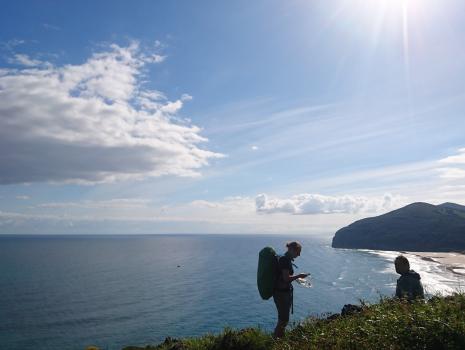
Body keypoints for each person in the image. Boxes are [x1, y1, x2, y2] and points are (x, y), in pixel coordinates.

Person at [273, 241, 309, 338]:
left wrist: (297, 278)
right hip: (281, 294)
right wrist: (299, 276)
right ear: (292, 250)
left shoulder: (284, 258)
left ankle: (280, 340)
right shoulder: (284, 260)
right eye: (298, 252)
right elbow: (286, 279)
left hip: (281, 292)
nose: (299, 254)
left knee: (283, 319)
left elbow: (284, 277)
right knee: (283, 320)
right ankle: (275, 341)